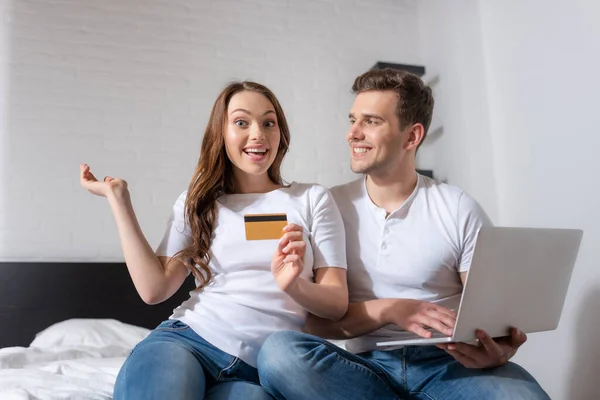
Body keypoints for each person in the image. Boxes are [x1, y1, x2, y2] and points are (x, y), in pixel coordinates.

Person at [257, 69, 550, 399]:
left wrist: (499, 350)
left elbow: (493, 316)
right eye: (353, 120)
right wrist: (390, 309)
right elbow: (317, 325)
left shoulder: (457, 207)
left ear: (411, 137)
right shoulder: (329, 206)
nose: (352, 134)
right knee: (280, 353)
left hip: (448, 364)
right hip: (365, 367)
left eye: (371, 121)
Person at [79, 81, 348, 400]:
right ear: (221, 132)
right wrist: (119, 200)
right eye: (241, 122)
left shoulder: (311, 199)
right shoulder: (197, 203)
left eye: (268, 122)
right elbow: (154, 289)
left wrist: (295, 285)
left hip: (259, 372)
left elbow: (336, 303)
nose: (258, 134)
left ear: (281, 133)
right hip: (188, 342)